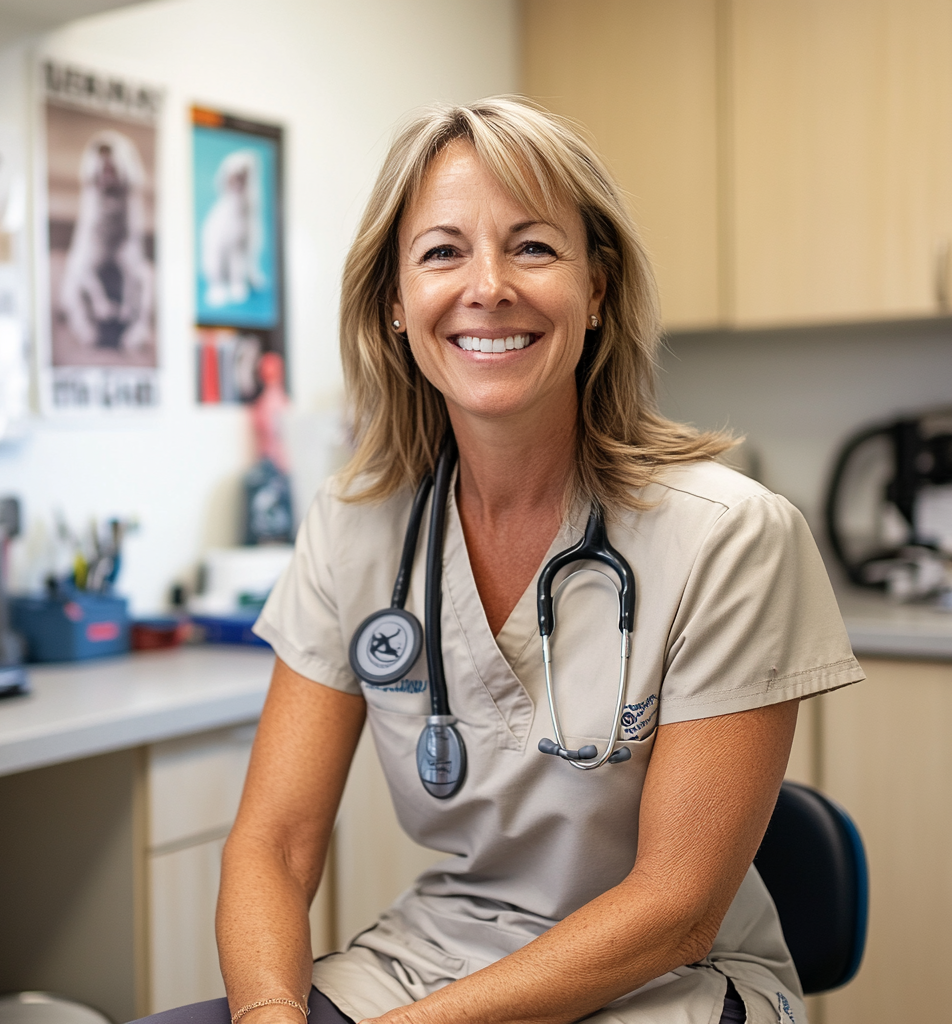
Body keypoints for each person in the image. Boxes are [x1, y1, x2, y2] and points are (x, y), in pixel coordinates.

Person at [217, 97, 864, 1024]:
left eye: (532, 247)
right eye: (442, 251)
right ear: (394, 303)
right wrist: (270, 1014)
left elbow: (675, 911)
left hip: (663, 984)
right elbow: (273, 844)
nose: (488, 286)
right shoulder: (356, 528)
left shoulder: (730, 537)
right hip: (431, 961)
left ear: (596, 289)